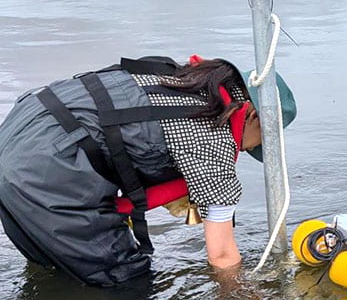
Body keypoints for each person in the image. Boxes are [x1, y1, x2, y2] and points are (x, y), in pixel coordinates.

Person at [0, 55, 296, 286]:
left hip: (21, 128)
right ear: (255, 117)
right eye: (261, 142)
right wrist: (242, 294)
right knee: (127, 284)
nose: (246, 150)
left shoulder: (183, 79)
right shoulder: (214, 143)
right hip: (46, 166)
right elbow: (221, 256)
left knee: (53, 269)